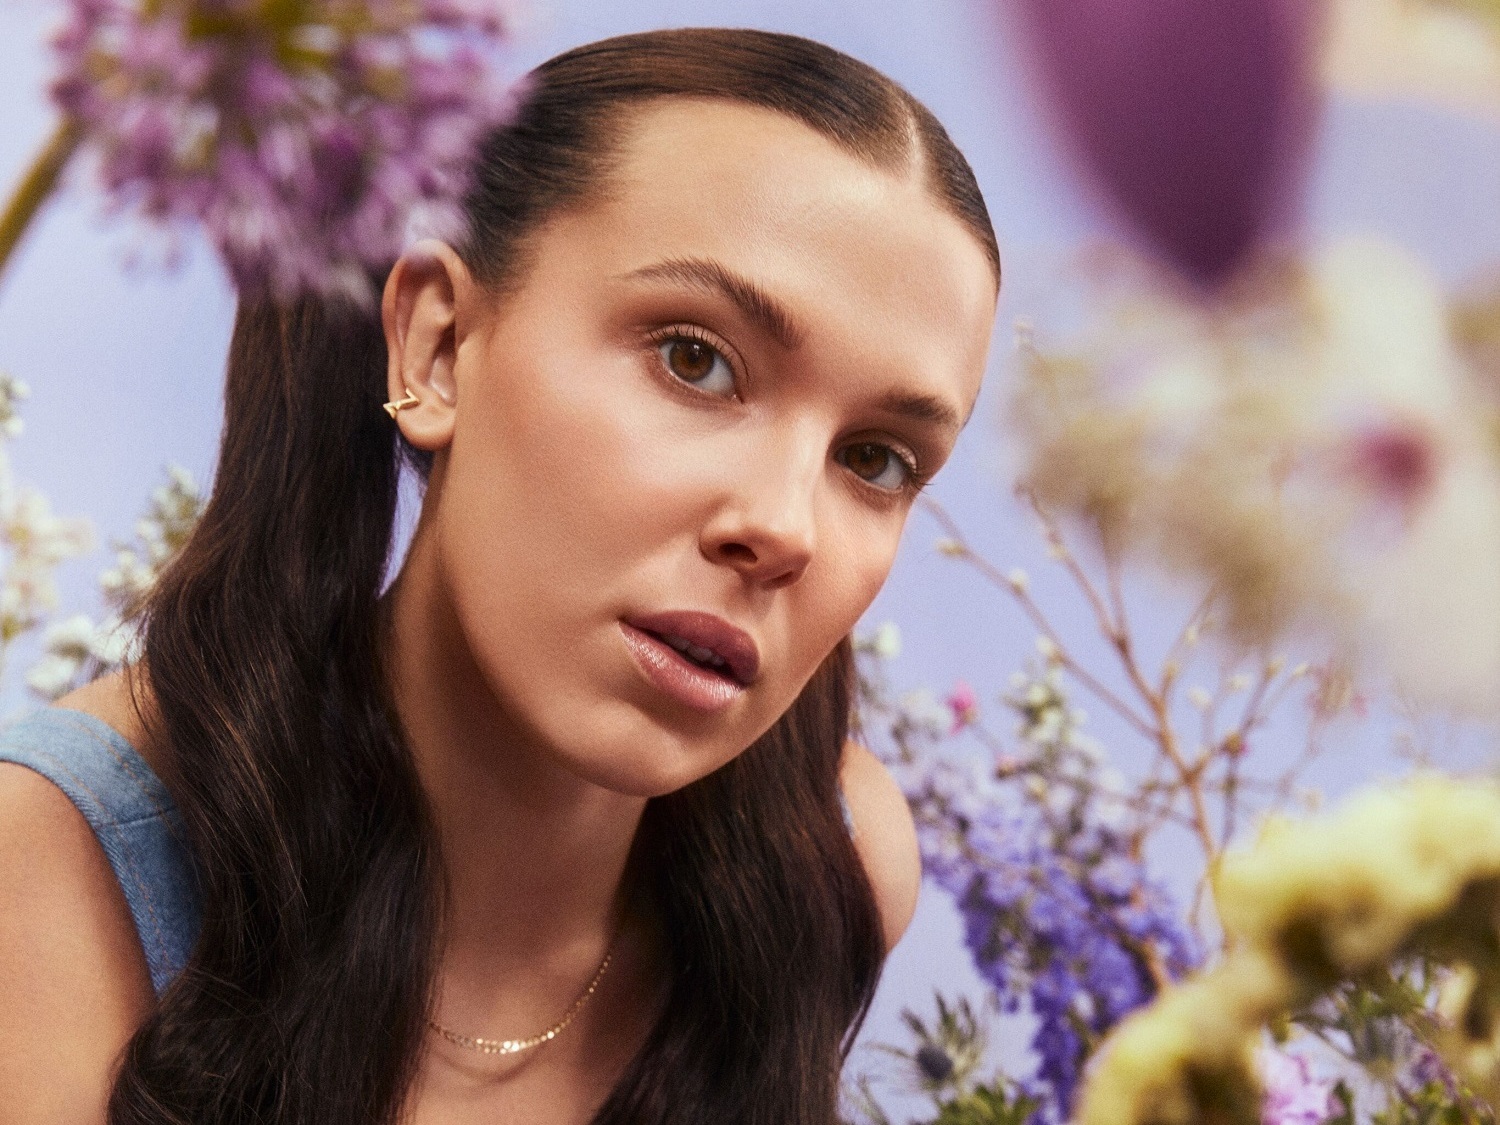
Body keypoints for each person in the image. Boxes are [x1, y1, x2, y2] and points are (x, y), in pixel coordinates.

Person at [0, 27, 998, 1125]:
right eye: (695, 359)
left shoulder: (832, 865)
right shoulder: (51, 877)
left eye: (876, 460)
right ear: (436, 346)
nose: (781, 527)